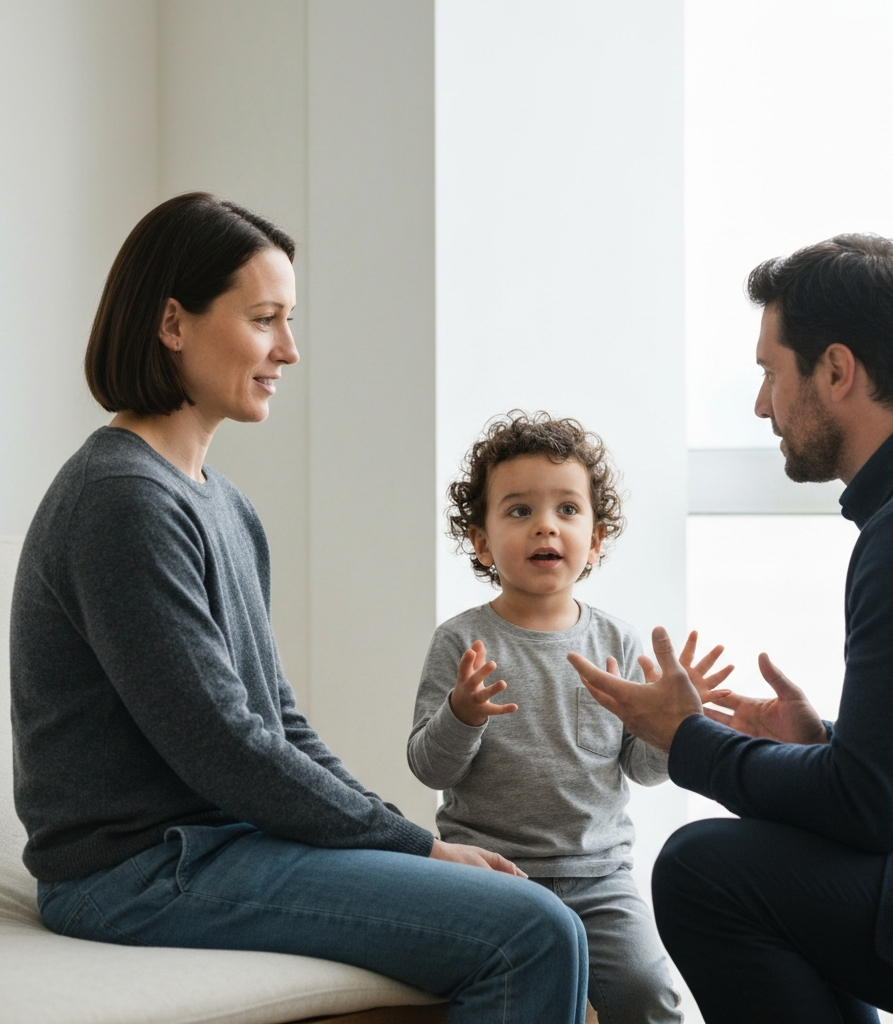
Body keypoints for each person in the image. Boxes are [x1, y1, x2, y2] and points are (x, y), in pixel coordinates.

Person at [10, 193, 590, 1024]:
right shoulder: (122, 501)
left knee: (535, 913)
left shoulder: (222, 505)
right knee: (531, 933)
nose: (289, 348)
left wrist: (397, 830)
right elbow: (221, 743)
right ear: (173, 322)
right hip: (135, 873)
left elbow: (276, 719)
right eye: (264, 318)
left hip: (220, 846)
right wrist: (415, 846)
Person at [567, 235, 893, 1022]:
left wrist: (687, 740)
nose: (760, 405)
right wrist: (822, 742)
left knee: (701, 868)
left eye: (770, 374)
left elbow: (870, 808)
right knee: (779, 850)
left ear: (837, 371)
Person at [408, 412, 729, 1023]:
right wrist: (462, 714)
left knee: (649, 997)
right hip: (491, 873)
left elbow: (642, 768)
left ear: (597, 537)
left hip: (600, 879)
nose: (545, 526)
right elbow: (428, 766)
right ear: (480, 540)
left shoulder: (618, 639)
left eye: (567, 509)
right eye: (519, 510)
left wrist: (678, 726)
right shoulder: (461, 641)